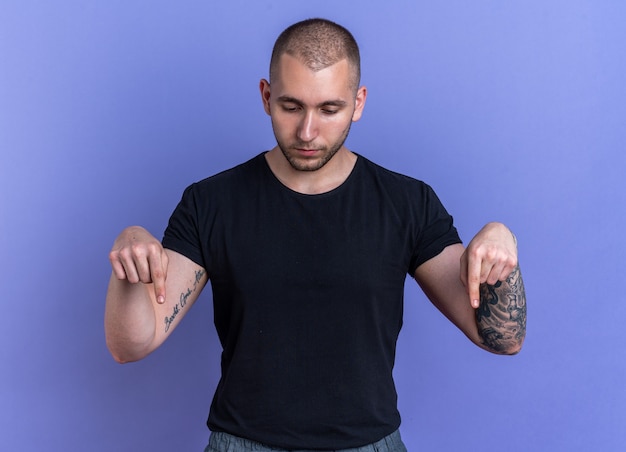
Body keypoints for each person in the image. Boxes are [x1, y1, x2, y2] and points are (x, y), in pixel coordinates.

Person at [105, 18, 526, 452]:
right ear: (267, 97)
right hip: (244, 444)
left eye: (329, 109)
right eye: (291, 107)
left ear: (358, 103)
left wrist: (502, 243)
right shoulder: (211, 203)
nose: (307, 132)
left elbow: (502, 339)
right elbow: (131, 345)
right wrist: (129, 262)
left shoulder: (407, 204)